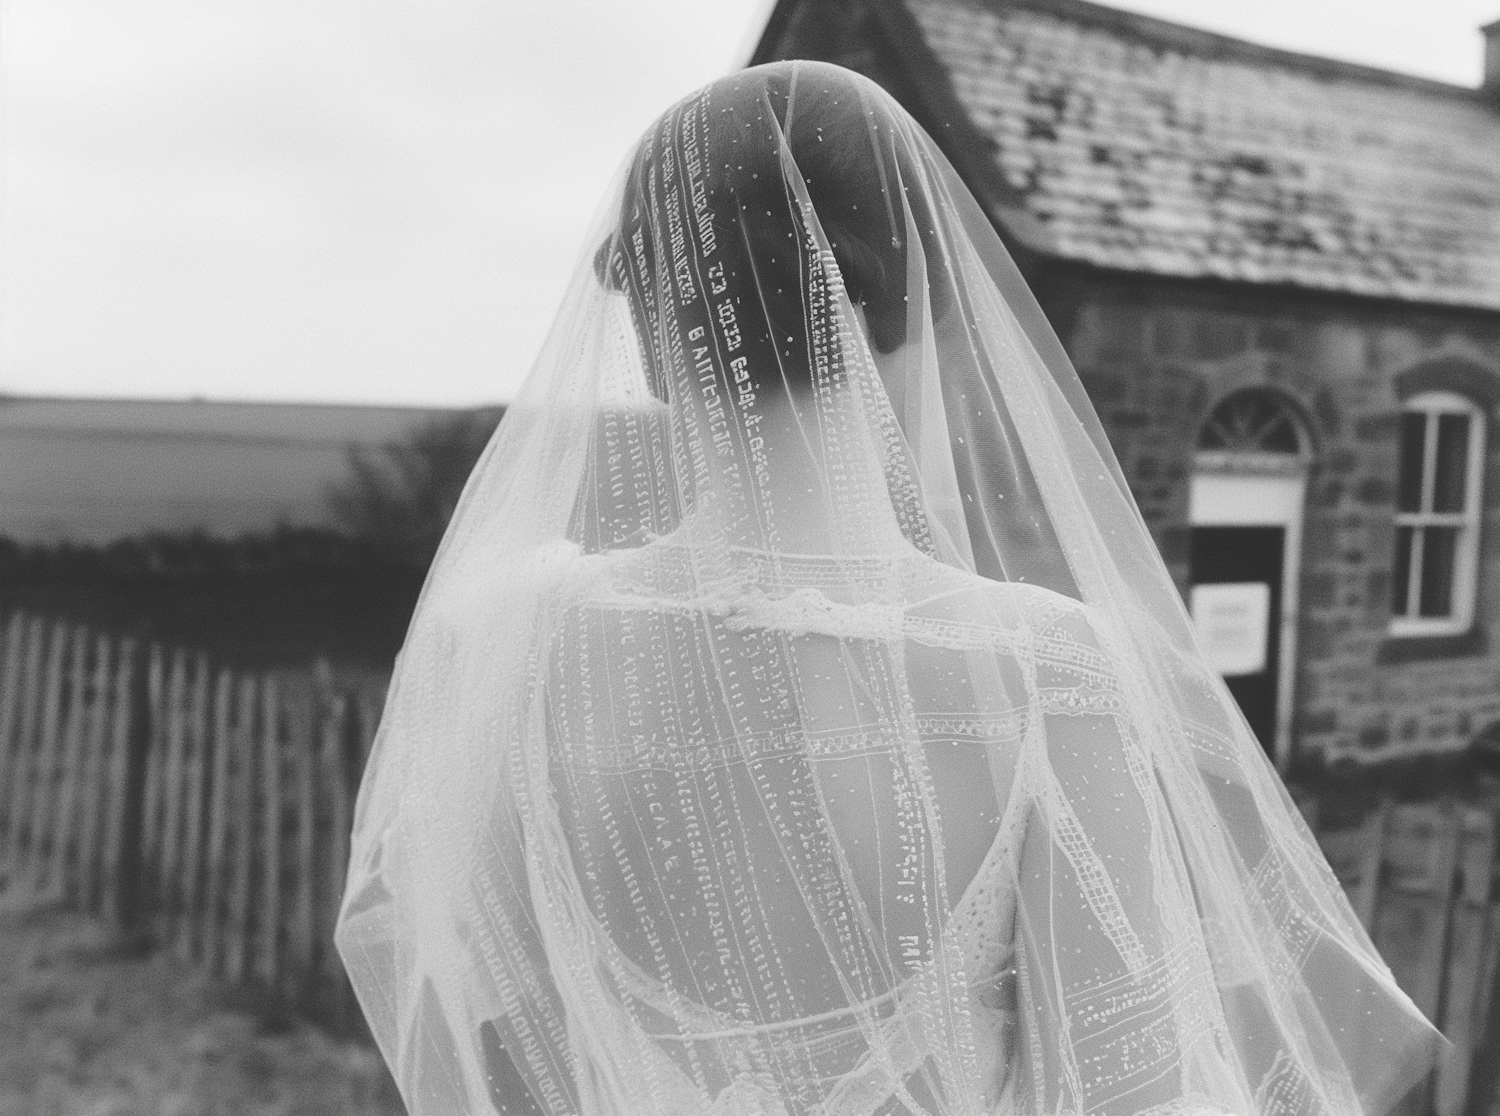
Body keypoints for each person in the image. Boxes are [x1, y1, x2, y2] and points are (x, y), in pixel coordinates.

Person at [335, 61, 1441, 1116]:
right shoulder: (1041, 673)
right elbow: (1128, 1092)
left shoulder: (509, 642)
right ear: (912, 294)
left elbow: (484, 1040)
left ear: (647, 315)